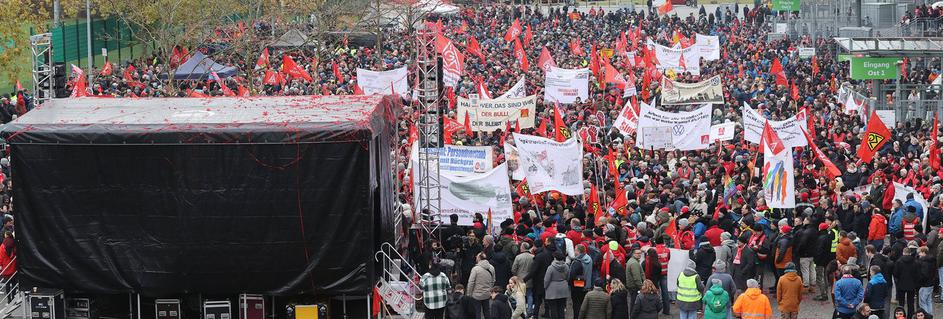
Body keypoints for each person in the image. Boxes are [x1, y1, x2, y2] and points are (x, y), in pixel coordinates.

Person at [469, 253, 496, 319]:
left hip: (476, 295)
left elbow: (471, 282)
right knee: (487, 311)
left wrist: (469, 294)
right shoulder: (491, 267)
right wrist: (489, 289)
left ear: (479, 258)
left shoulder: (475, 269)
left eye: (477, 256)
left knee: (477, 312)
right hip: (487, 294)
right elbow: (493, 280)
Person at [543, 252, 569, 319]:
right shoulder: (566, 266)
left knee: (553, 309)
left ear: (555, 258)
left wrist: (545, 287)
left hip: (552, 290)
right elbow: (568, 277)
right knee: (561, 308)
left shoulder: (551, 267)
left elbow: (546, 280)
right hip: (563, 288)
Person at [894, 247, 918, 316]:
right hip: (912, 284)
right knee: (911, 303)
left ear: (903, 253)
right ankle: (910, 316)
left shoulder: (899, 261)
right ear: (910, 253)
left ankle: (901, 316)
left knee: (901, 303)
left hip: (901, 284)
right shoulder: (914, 261)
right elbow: (917, 273)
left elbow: (895, 273)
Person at [916, 246, 937, 315]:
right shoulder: (932, 260)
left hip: (924, 285)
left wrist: (919, 282)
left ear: (923, 252)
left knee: (923, 302)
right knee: (929, 301)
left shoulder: (924, 262)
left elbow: (924, 275)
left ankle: (925, 316)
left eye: (920, 253)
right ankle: (930, 315)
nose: (919, 254)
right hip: (931, 284)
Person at [624, 249, 644, 314]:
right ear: (633, 254)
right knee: (635, 303)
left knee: (633, 302)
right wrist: (641, 287)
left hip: (632, 286)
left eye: (640, 253)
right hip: (635, 287)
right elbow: (637, 278)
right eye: (637, 253)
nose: (639, 254)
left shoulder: (632, 261)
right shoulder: (634, 263)